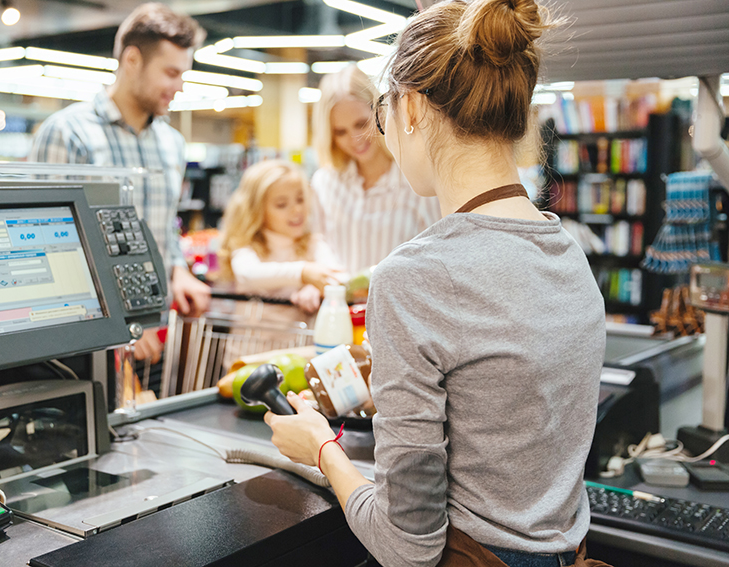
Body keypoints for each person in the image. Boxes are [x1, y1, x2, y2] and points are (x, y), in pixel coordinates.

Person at [265, 1, 609, 567]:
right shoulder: (568, 252)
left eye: (383, 110)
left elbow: (408, 546)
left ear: (415, 109)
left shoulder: (411, 278)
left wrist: (323, 451)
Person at [30, 3, 210, 363]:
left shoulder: (171, 143)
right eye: (171, 73)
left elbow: (164, 228)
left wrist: (178, 270)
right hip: (86, 339)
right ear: (132, 60)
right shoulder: (69, 133)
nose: (179, 86)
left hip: (155, 331)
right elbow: (49, 242)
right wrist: (119, 322)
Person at [310, 64, 441, 276]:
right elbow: (316, 241)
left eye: (361, 124)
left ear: (381, 111)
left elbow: (439, 252)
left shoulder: (417, 179)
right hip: (341, 306)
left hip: (400, 305)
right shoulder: (324, 183)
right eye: (340, 132)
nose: (355, 140)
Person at [218, 160, 343, 317]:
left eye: (300, 199)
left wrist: (315, 287)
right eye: (281, 204)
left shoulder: (313, 244)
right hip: (249, 340)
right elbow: (247, 274)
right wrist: (303, 272)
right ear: (257, 210)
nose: (297, 210)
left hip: (301, 340)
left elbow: (340, 277)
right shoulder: (246, 246)